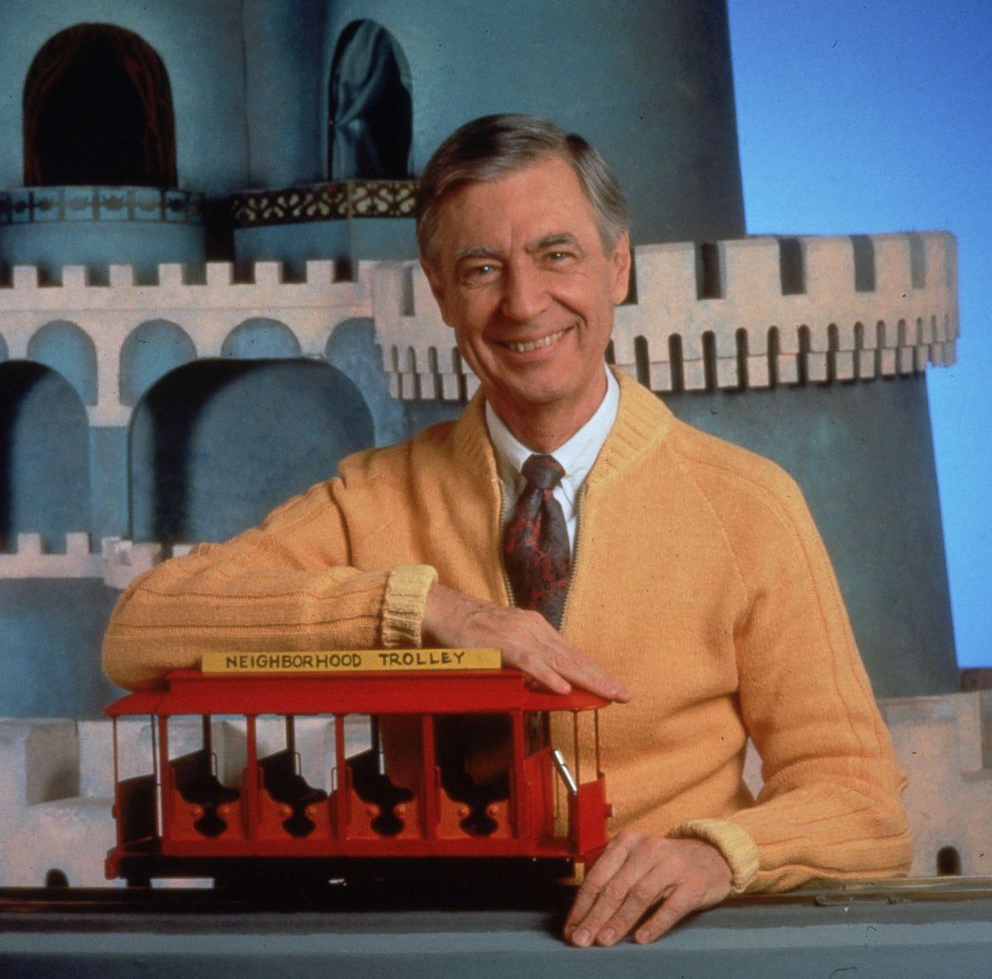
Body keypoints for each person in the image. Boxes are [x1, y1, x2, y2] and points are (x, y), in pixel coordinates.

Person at [102, 114, 912, 946]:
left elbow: (861, 802)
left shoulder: (750, 505)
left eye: (557, 255)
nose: (524, 304)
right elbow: (141, 627)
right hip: (435, 950)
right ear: (440, 290)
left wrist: (722, 853)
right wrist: (422, 612)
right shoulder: (373, 498)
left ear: (618, 265)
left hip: (665, 953)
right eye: (482, 268)